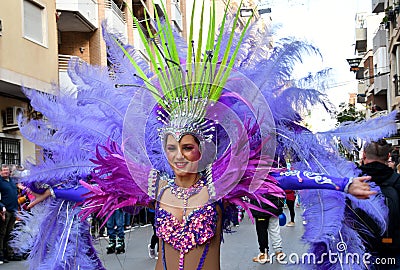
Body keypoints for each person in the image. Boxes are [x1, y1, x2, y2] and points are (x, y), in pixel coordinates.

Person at [12, 1, 398, 269]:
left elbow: (286, 178)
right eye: (172, 148)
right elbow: (95, 191)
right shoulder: (154, 185)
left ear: (202, 150)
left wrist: (342, 184)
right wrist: (52, 191)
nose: (179, 156)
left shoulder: (222, 185)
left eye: (187, 147)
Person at [352, 140, 400, 269]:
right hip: (394, 251)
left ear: (364, 156)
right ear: (388, 156)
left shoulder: (352, 182)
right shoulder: (397, 181)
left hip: (360, 251)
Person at [251, 194, 284, 264]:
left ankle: (264, 254)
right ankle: (278, 252)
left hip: (261, 208)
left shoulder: (255, 183)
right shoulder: (276, 182)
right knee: (275, 230)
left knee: (262, 232)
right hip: (274, 207)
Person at [0, 165, 21, 263]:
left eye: (7, 170)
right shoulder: (0, 181)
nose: (5, 172)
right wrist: (1, 206)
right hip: (4, 211)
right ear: (0, 171)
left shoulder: (12, 181)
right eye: (3, 170)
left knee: (11, 233)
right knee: (2, 233)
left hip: (13, 210)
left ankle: (10, 254)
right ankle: (1, 255)